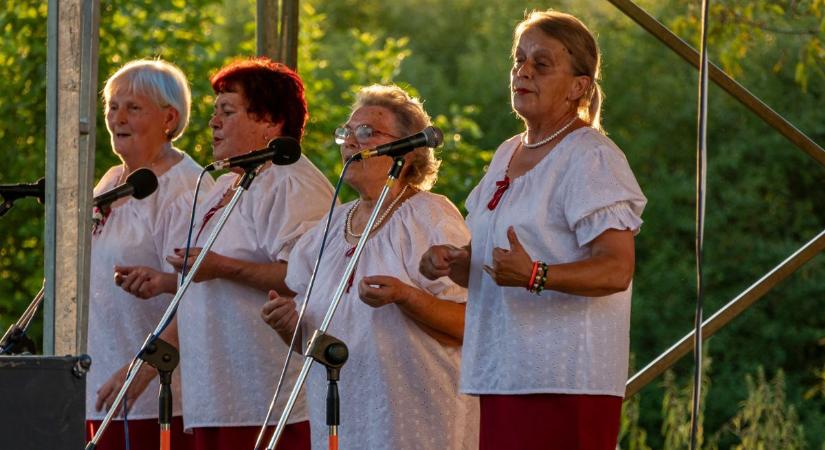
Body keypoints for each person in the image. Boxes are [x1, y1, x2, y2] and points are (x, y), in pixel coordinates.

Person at [420, 10, 647, 450]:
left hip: (565, 378)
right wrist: (456, 263)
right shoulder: (507, 152)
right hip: (502, 372)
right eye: (519, 61)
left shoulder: (590, 157)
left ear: (580, 86)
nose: (522, 71)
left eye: (541, 64)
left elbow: (617, 269)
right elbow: (498, 267)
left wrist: (536, 275)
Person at [115, 57, 333, 450]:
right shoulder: (225, 185)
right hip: (214, 397)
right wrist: (168, 282)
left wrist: (219, 266)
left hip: (265, 399)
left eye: (227, 112)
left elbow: (307, 276)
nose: (212, 123)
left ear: (269, 119)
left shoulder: (290, 180)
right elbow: (205, 280)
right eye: (214, 112)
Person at [261, 84, 479, 450]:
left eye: (367, 132)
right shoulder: (327, 230)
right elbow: (317, 344)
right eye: (346, 132)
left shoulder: (430, 217)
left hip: (418, 424)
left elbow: (470, 325)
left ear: (407, 152)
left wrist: (406, 297)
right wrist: (289, 326)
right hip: (342, 423)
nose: (350, 141)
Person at [86, 59, 211, 449]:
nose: (117, 118)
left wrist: (140, 368)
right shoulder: (111, 180)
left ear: (169, 118)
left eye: (133, 108)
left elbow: (199, 293)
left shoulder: (185, 188)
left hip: (158, 394)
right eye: (112, 106)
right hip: (98, 384)